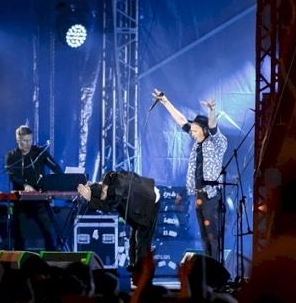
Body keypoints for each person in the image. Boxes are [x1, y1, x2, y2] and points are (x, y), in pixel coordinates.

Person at [152, 89, 228, 262]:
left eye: (195, 130)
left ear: (204, 130)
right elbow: (181, 120)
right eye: (192, 130)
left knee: (213, 236)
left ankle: (217, 268)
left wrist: (211, 111)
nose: (192, 133)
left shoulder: (216, 142)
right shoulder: (197, 143)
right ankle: (208, 268)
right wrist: (165, 101)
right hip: (199, 195)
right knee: (204, 236)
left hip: (212, 196)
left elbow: (213, 126)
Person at [76, 170, 160, 273]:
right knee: (134, 236)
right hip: (138, 198)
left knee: (142, 238)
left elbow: (108, 206)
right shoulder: (110, 180)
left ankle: (141, 269)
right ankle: (133, 264)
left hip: (149, 203)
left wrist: (90, 198)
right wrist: (90, 188)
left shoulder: (118, 189)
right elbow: (103, 191)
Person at [5, 125, 63, 251]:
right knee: (19, 233)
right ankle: (19, 257)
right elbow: (12, 175)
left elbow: (56, 168)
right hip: (20, 201)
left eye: (29, 140)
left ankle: (51, 256)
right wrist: (25, 185)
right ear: (18, 140)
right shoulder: (11, 156)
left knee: (48, 230)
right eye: (24, 141)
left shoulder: (39, 153)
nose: (27, 144)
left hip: (39, 199)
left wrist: (58, 181)